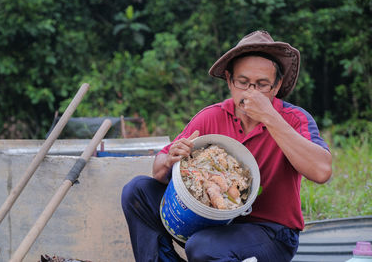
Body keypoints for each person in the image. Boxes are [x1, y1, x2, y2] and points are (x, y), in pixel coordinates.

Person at [121, 30, 332, 262]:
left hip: (270, 232)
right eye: (243, 82)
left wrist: (270, 117)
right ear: (230, 80)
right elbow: (159, 172)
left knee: (203, 247)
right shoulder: (211, 117)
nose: (251, 92)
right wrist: (171, 158)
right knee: (138, 191)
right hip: (209, 218)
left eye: (262, 85)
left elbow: (321, 171)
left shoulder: (293, 119)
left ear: (277, 85)